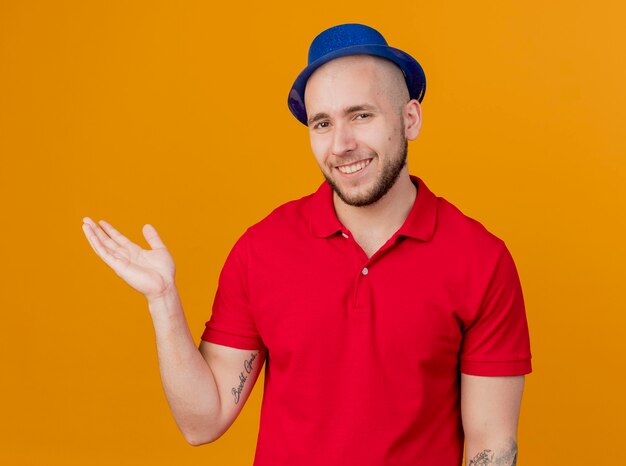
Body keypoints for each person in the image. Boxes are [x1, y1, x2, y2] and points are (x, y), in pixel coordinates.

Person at [82, 23, 531, 466]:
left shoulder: (481, 259)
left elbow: (491, 443)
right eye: (322, 123)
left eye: (361, 115)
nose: (342, 144)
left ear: (409, 118)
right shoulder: (262, 250)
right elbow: (203, 422)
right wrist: (163, 301)